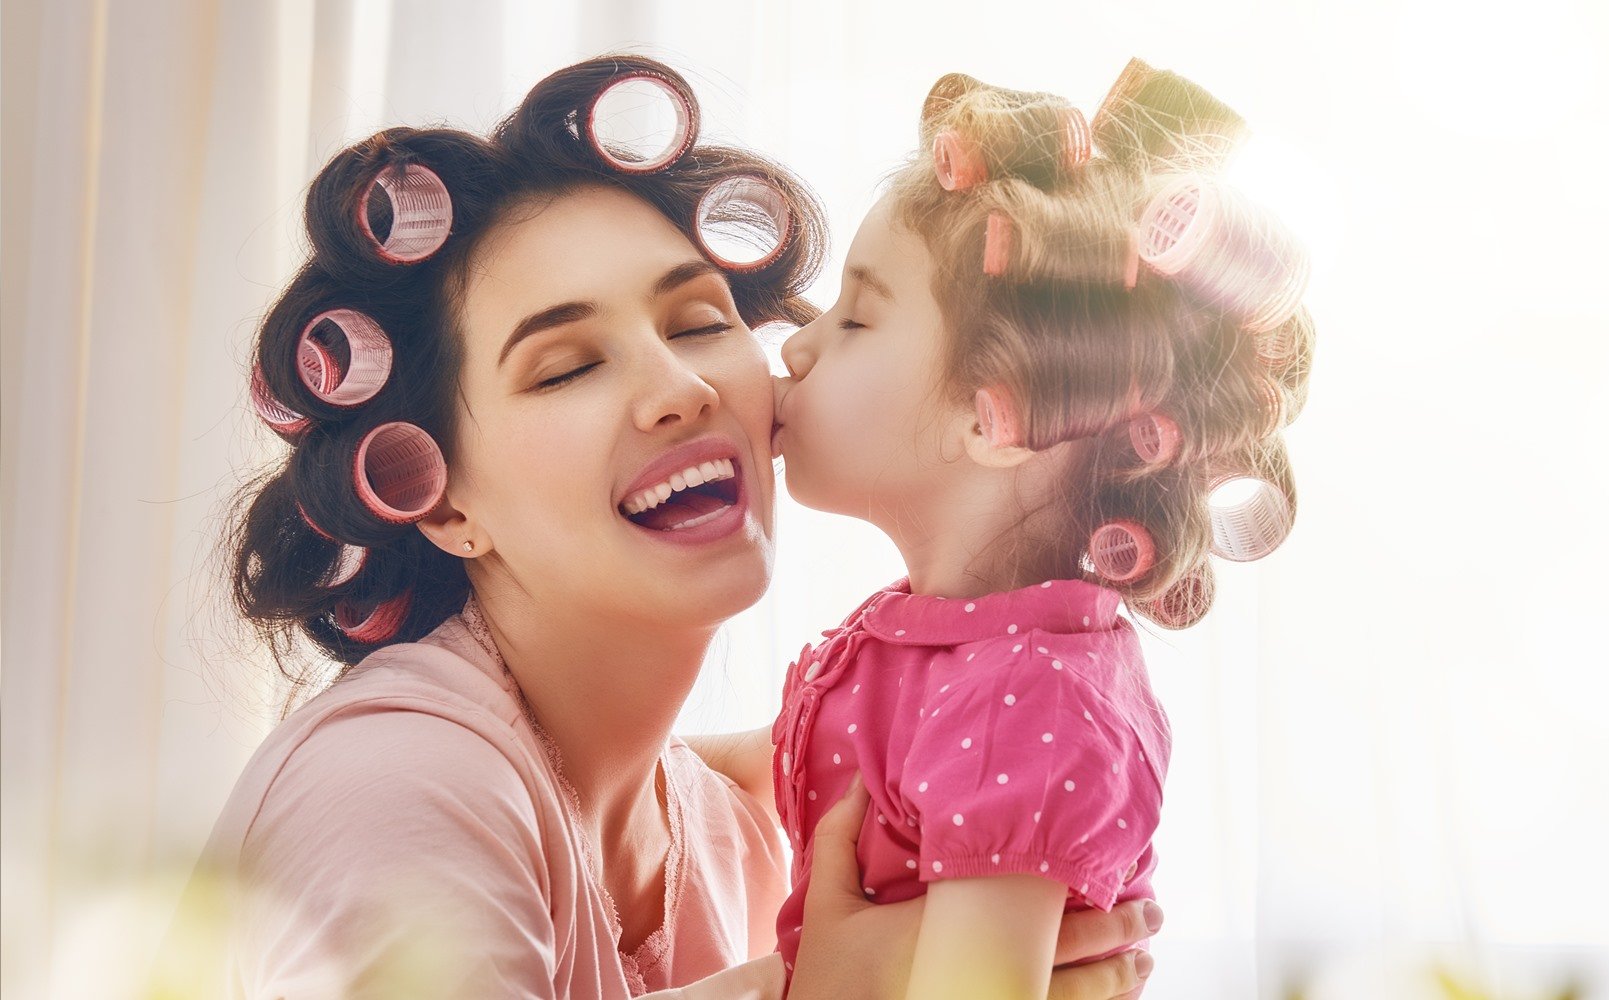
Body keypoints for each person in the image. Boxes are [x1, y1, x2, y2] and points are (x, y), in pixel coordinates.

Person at [157, 54, 1157, 999]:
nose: (677, 388)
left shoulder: (744, 834)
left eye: (696, 324)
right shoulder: (389, 785)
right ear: (447, 499)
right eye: (566, 367)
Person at [766, 63, 1314, 1000]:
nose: (798, 345)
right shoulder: (950, 648)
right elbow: (819, 754)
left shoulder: (1027, 699)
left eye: (857, 316)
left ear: (995, 420)